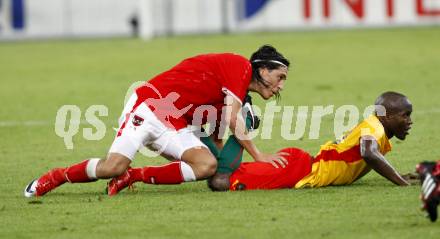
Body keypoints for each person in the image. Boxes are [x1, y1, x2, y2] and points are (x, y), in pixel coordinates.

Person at [24, 45, 291, 198]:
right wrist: (258, 155)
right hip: (151, 106)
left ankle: (134, 176)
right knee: (111, 167)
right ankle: (56, 176)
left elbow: (220, 129)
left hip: (175, 121)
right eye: (280, 77)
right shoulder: (240, 67)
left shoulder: (237, 94)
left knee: (206, 165)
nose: (280, 86)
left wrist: (223, 164)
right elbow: (234, 118)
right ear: (263, 69)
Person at [208, 91, 414, 191]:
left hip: (301, 166)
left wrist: (396, 174)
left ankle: (206, 153)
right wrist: (401, 182)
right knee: (220, 182)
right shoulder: (375, 128)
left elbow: (368, 156)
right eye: (405, 115)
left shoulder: (375, 127)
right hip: (300, 170)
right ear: (387, 116)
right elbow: (369, 153)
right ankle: (205, 150)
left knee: (224, 176)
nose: (409, 121)